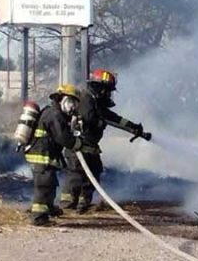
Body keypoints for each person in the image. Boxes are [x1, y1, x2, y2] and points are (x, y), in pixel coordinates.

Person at [60, 68, 151, 214]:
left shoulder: (97, 104)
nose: (108, 94)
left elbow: (115, 119)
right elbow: (89, 116)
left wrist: (134, 128)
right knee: (76, 176)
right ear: (100, 88)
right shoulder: (85, 98)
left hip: (90, 148)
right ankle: (67, 204)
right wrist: (100, 122)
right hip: (78, 147)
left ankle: (83, 205)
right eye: (107, 90)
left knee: (94, 174)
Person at [25, 84, 83, 226]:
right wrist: (77, 143)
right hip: (41, 155)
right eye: (72, 102)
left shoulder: (54, 113)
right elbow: (62, 137)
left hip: (45, 154)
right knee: (44, 185)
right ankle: (39, 217)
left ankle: (49, 208)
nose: (73, 107)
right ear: (63, 100)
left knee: (51, 183)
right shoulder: (55, 115)